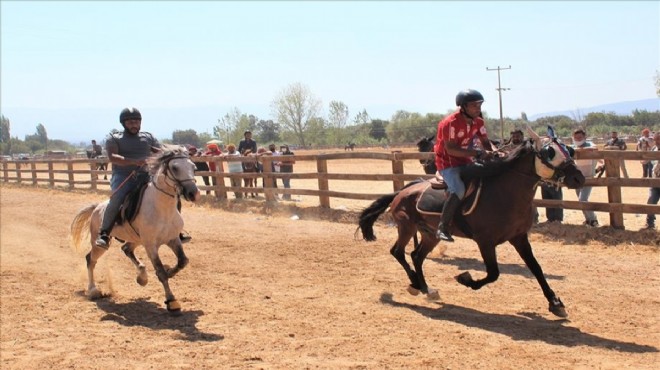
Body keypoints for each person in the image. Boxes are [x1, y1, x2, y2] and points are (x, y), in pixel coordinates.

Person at [95, 107, 191, 247]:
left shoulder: (148, 137)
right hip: (123, 176)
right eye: (130, 122)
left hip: (146, 175)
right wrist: (134, 161)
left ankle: (175, 230)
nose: (134, 125)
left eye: (136, 121)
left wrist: (176, 153)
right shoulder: (114, 138)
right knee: (117, 199)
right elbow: (112, 157)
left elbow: (160, 151)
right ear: (123, 123)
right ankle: (104, 233)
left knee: (172, 195)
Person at [434, 89, 495, 242]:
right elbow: (451, 149)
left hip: (466, 161)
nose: (478, 108)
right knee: (459, 190)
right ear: (463, 107)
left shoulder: (479, 121)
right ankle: (442, 227)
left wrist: (494, 152)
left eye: (479, 104)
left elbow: (486, 142)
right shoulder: (450, 124)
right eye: (474, 105)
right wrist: (478, 154)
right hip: (447, 163)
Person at [571, 128, 603, 227]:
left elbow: (593, 149)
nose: (577, 139)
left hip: (588, 177)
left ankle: (593, 220)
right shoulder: (573, 147)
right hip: (577, 177)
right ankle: (588, 220)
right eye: (575, 138)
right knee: (581, 200)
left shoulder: (590, 145)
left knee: (582, 199)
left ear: (585, 137)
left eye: (580, 137)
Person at [643, 131, 660, 229]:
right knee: (651, 201)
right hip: (655, 180)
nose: (657, 141)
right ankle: (650, 223)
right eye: (656, 139)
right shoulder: (654, 149)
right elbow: (651, 164)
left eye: (659, 139)